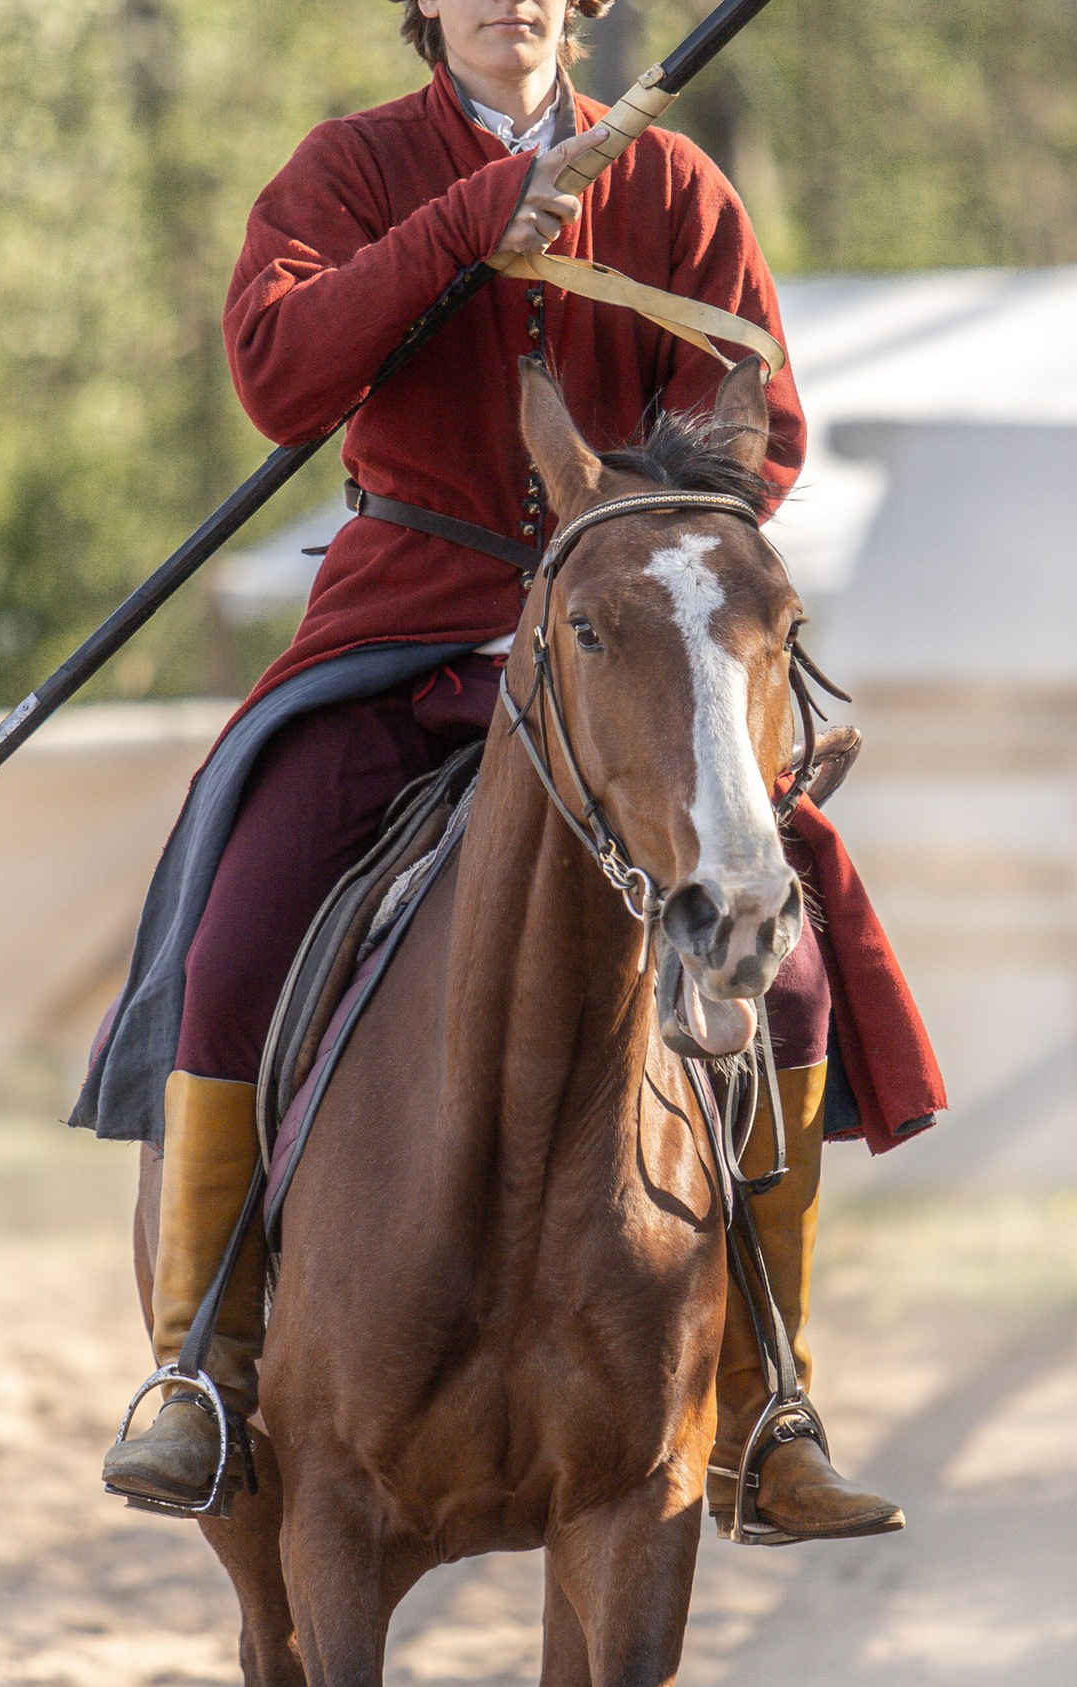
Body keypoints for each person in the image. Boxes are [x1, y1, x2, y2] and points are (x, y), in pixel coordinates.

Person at [83, 0, 933, 1544]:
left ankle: (766, 1405)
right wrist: (477, 222)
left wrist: (639, 512)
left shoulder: (675, 191)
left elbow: (770, 433)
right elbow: (280, 378)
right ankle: (203, 1367)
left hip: (630, 657)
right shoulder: (348, 171)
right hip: (405, 634)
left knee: (795, 971)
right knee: (236, 933)